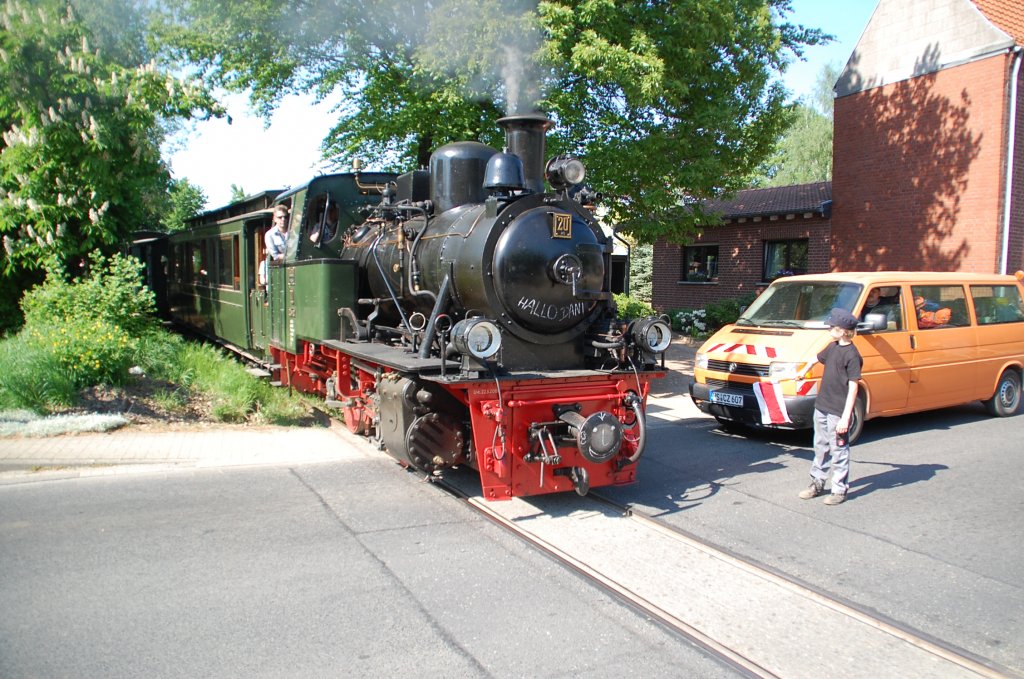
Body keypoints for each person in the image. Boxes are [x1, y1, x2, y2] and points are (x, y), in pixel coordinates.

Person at [799, 307, 862, 506]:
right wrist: (803, 371)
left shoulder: (852, 355)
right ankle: (817, 482)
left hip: (838, 410)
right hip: (822, 405)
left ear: (843, 330)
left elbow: (853, 388)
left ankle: (839, 489)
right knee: (821, 446)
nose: (829, 329)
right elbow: (816, 358)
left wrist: (845, 417)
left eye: (832, 327)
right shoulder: (832, 346)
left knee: (839, 450)